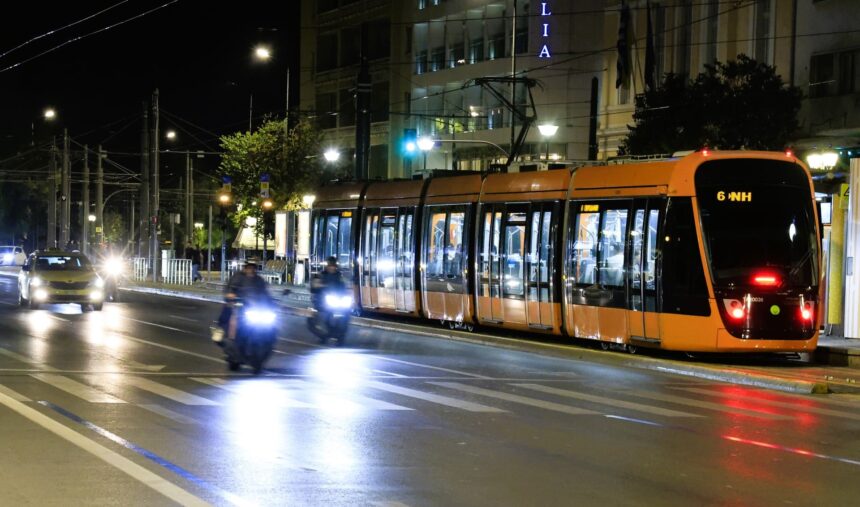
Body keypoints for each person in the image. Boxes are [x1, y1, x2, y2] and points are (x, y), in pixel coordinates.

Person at [217, 262, 272, 340]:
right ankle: (222, 330)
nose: (251, 269)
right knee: (229, 312)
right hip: (239, 303)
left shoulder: (259, 279)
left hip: (255, 306)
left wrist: (270, 302)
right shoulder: (237, 277)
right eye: (249, 267)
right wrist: (230, 294)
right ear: (245, 268)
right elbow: (230, 288)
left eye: (253, 267)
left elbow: (265, 292)